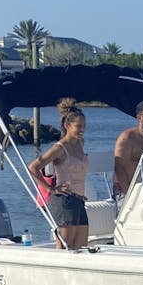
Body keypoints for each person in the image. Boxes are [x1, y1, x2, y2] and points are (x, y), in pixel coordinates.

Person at [28, 98, 89, 249]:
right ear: (67, 125)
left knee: (81, 246)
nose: (82, 129)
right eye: (78, 126)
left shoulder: (81, 143)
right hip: (64, 200)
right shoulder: (60, 148)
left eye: (84, 126)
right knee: (64, 247)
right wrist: (50, 189)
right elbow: (33, 167)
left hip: (79, 200)